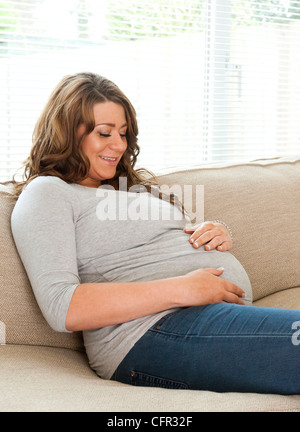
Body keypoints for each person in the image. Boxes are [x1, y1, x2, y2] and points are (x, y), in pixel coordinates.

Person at [11, 72, 299, 394]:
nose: (118, 145)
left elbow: (171, 240)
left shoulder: (131, 191)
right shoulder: (48, 192)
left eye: (123, 133)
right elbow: (62, 306)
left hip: (206, 315)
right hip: (147, 334)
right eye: (104, 133)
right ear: (65, 133)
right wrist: (183, 289)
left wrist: (215, 232)